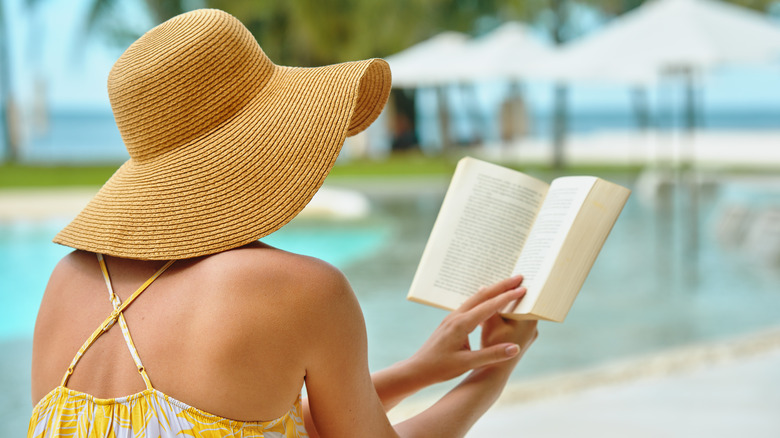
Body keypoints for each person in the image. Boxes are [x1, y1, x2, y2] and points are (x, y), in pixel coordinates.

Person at [28, 9, 538, 438]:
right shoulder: (302, 290)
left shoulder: (66, 282)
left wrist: (415, 372)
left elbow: (238, 420)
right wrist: (493, 373)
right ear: (263, 145)